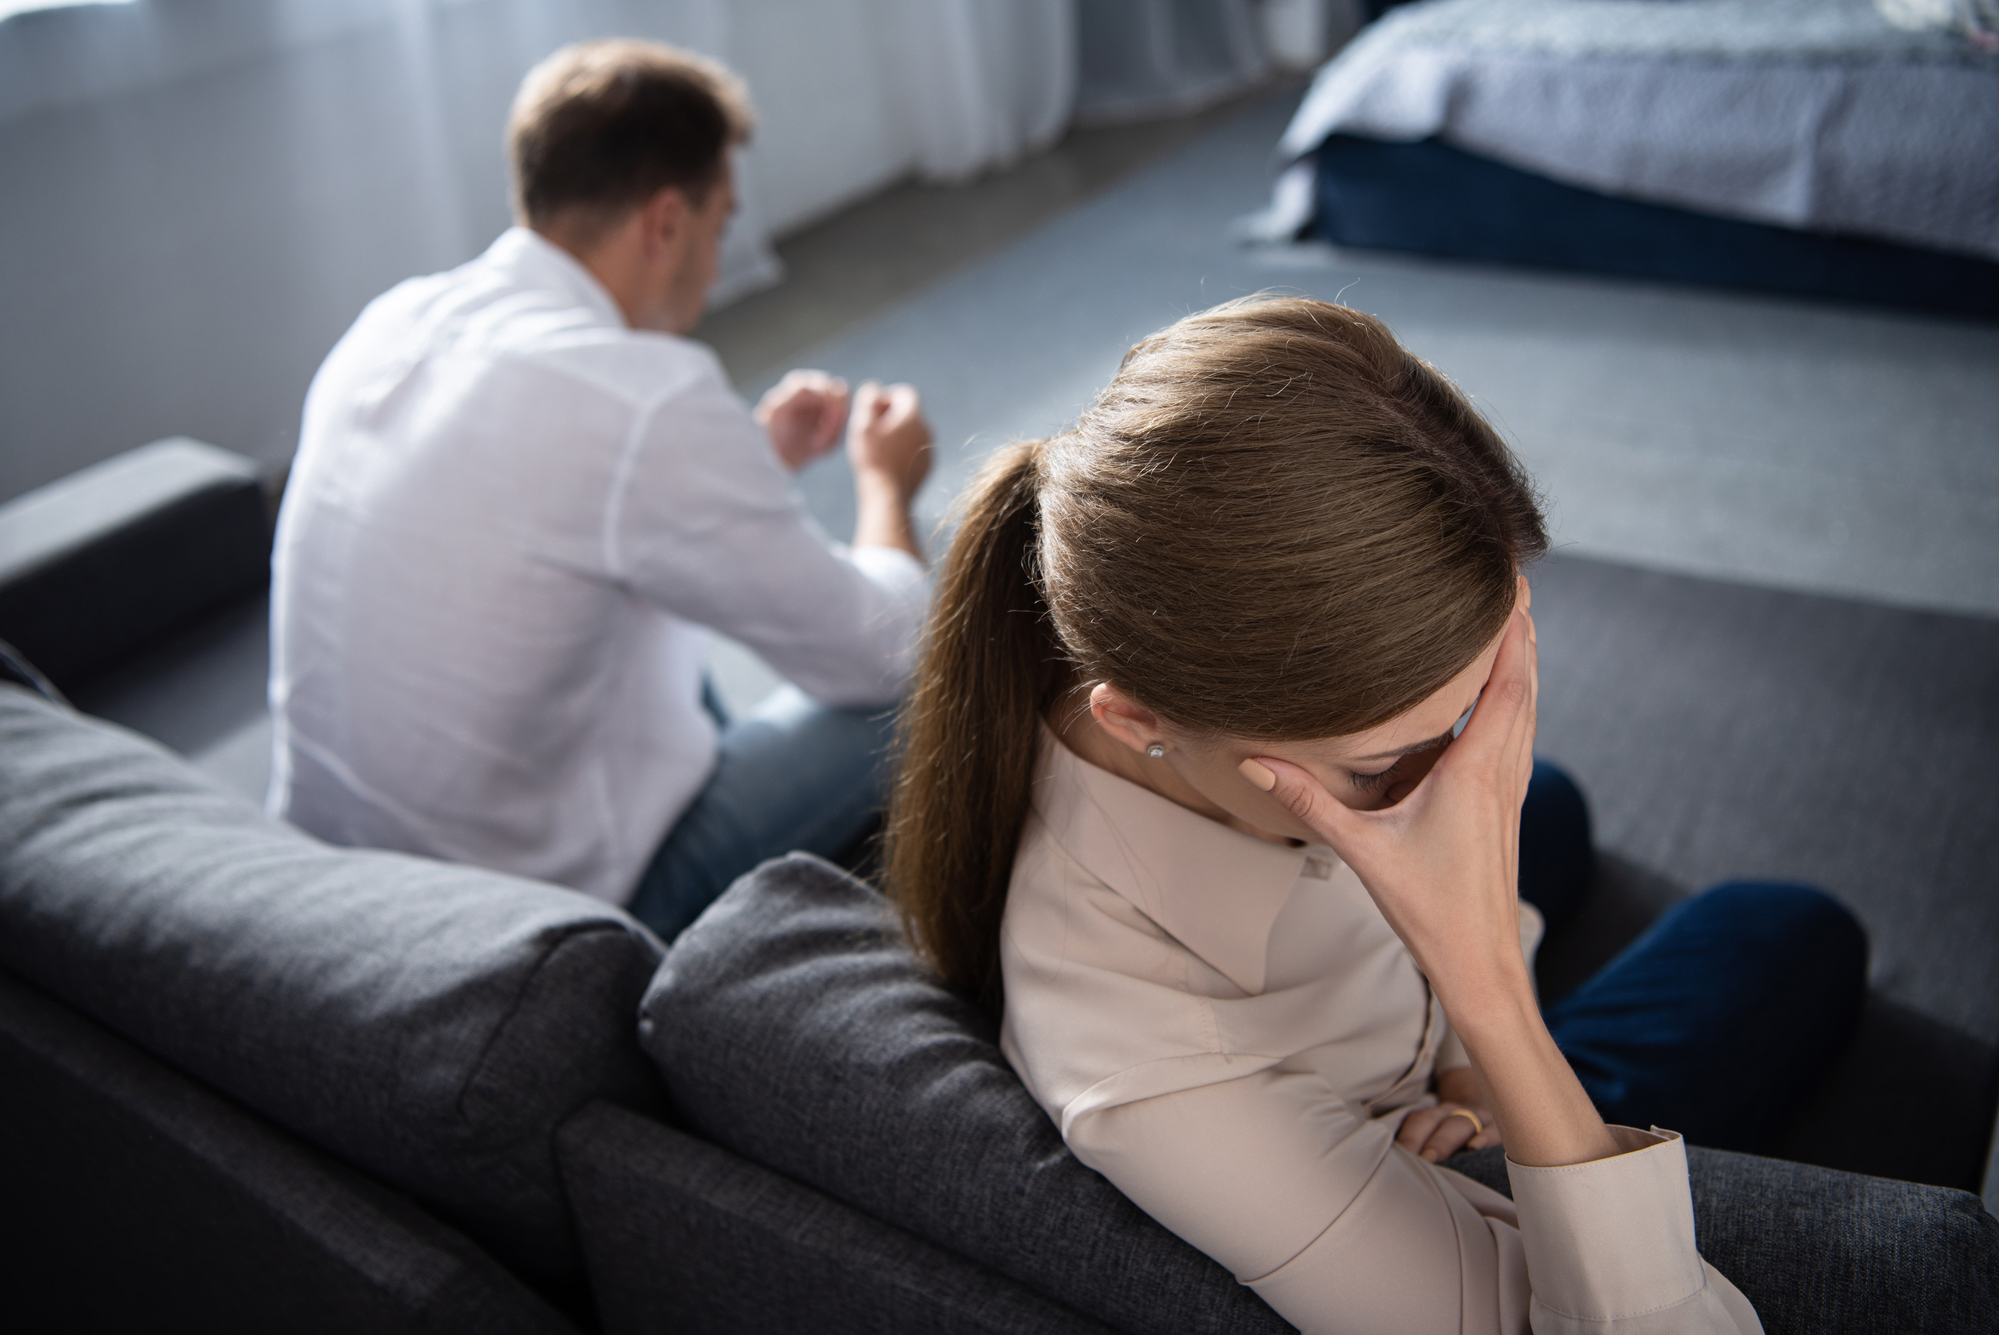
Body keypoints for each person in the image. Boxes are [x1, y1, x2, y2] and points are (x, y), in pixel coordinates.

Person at [882, 296, 1874, 1332]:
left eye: (1480, 701)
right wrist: (1487, 995)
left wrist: (1462, 1055)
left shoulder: (1160, 685)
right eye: (1382, 771)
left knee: (1558, 806)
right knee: (1786, 928)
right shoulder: (1159, 1078)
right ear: (1140, 723)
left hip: (1445, 1065)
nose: (1468, 781)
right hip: (1435, 1120)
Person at [269, 40, 932, 939]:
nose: (713, 258)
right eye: (719, 223)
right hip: (527, 923)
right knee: (930, 681)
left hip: (327, 882)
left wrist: (746, 460)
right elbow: (887, 646)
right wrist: (884, 486)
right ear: (666, 222)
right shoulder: (642, 400)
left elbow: (549, 510)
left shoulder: (391, 321)